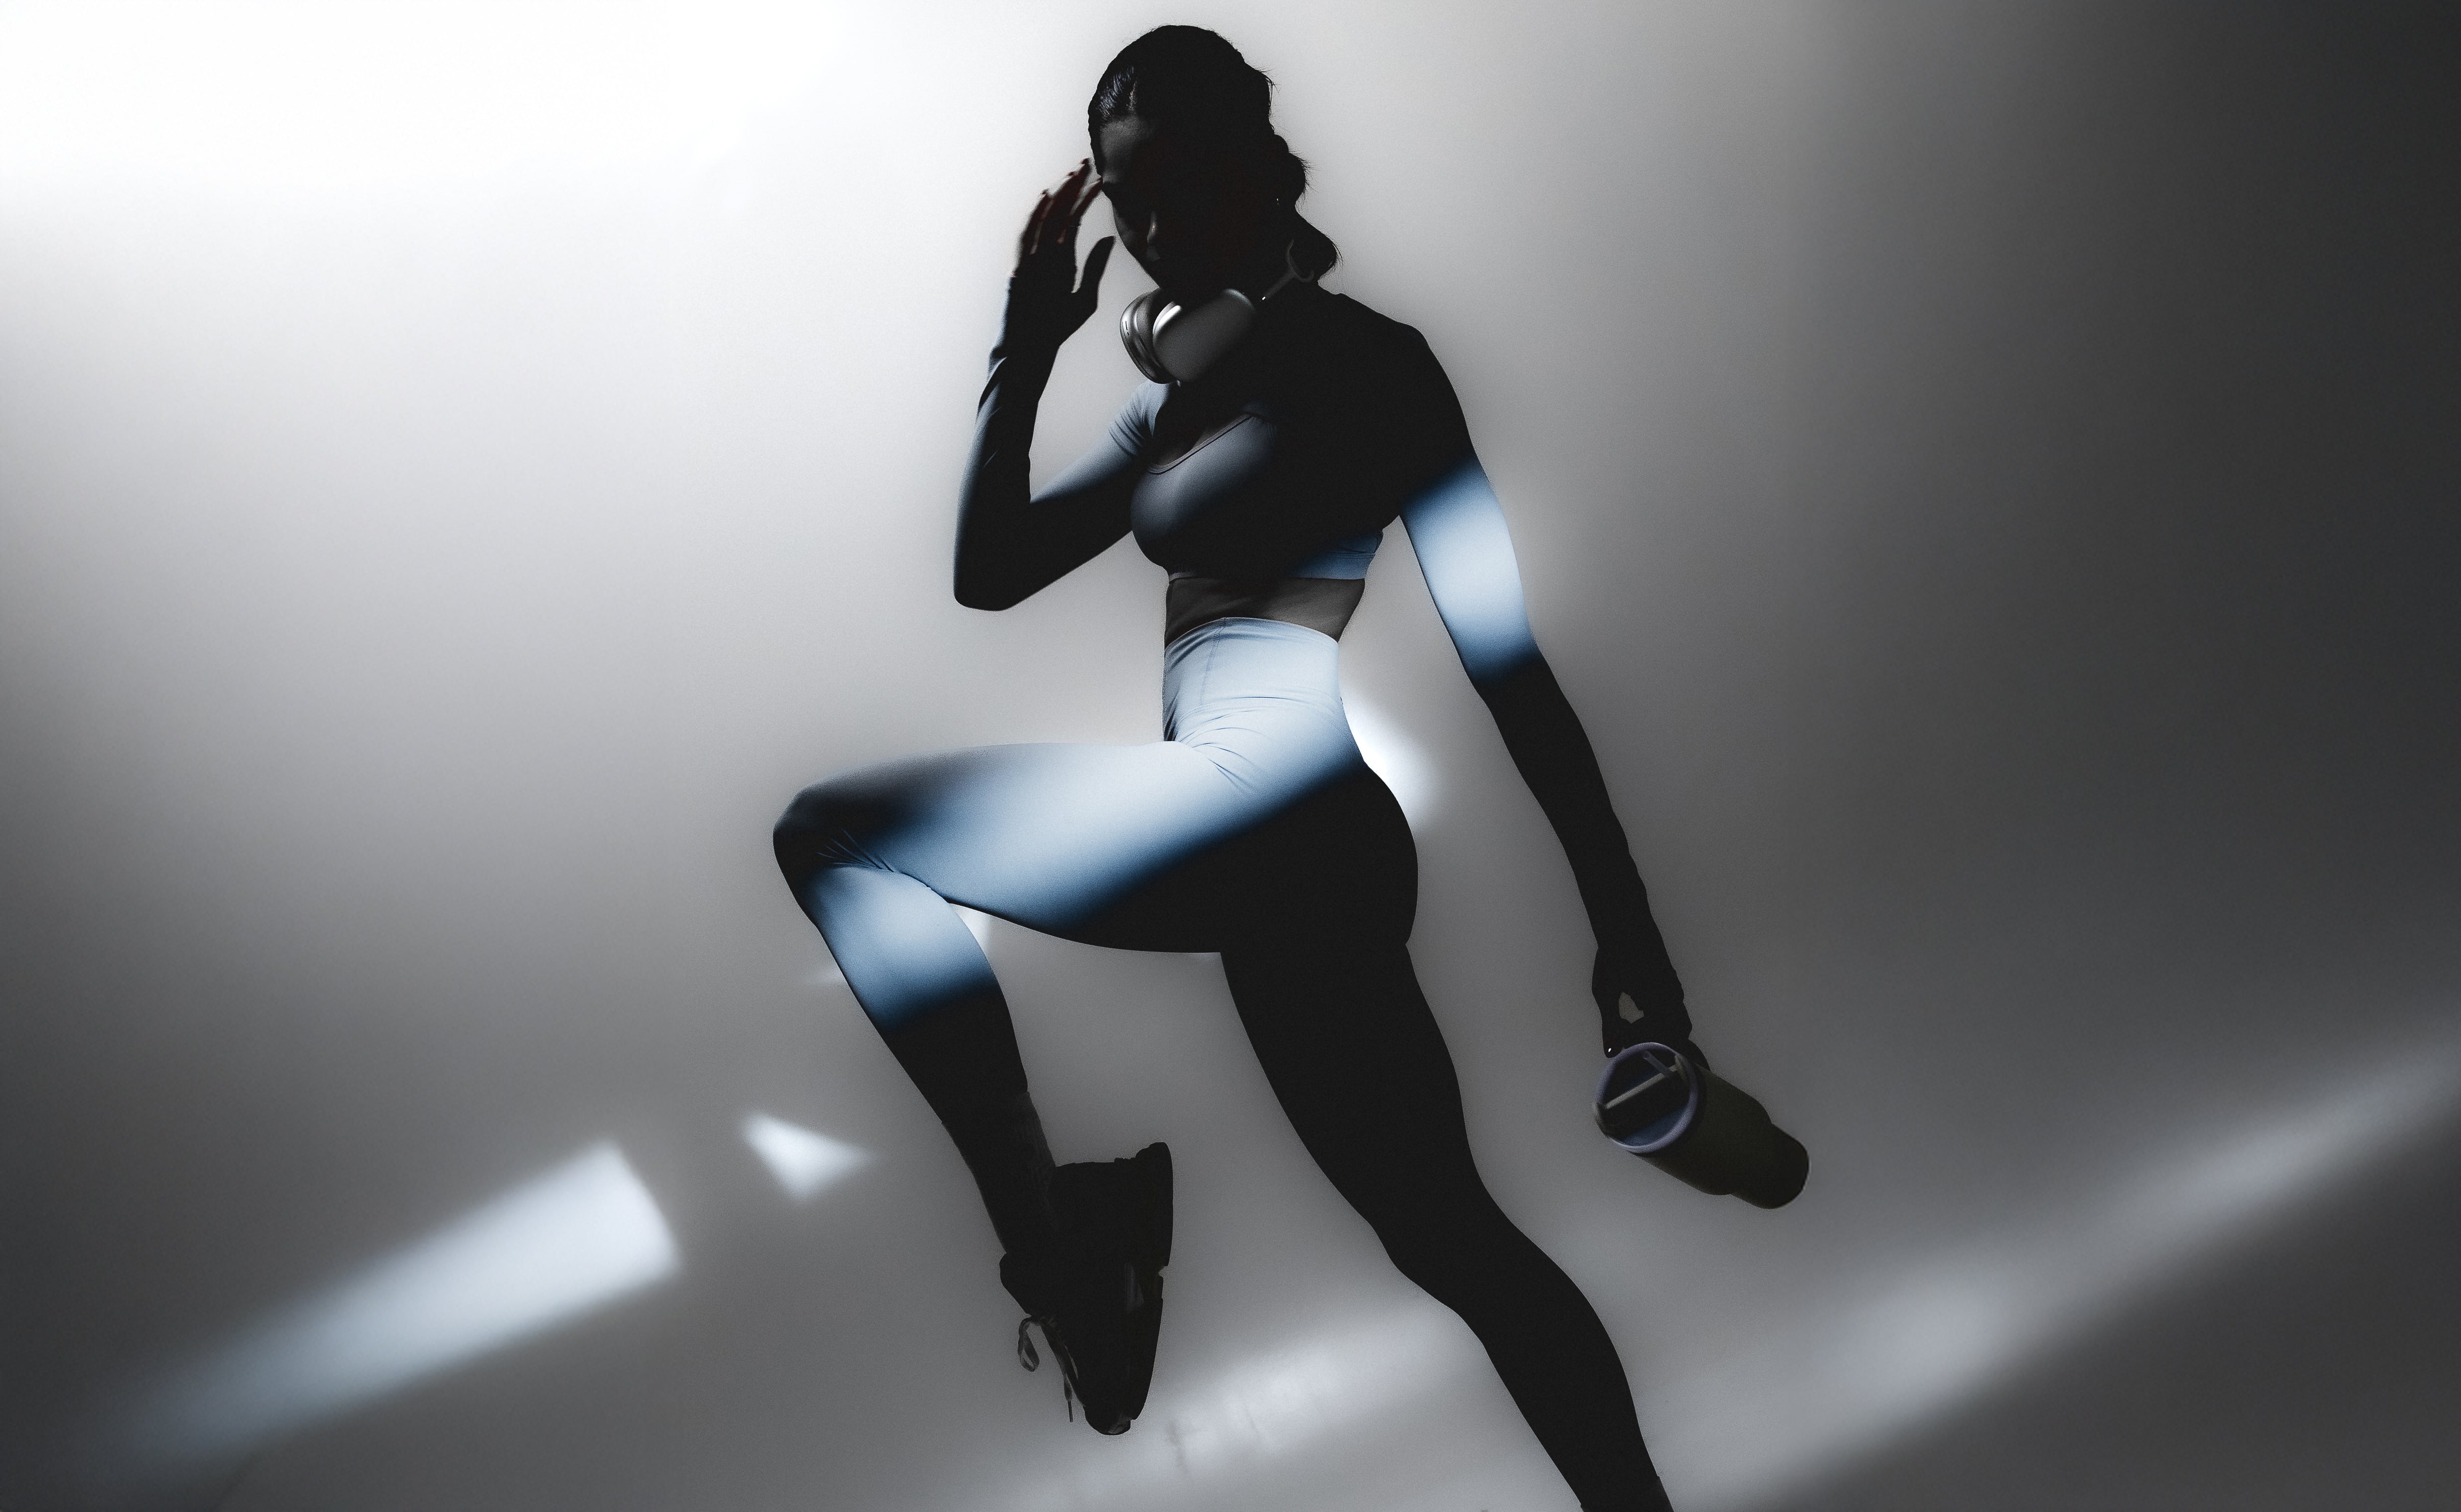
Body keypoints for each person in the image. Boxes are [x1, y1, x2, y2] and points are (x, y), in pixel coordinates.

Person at [774, 25, 1709, 1512]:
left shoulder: (1376, 367)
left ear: (1260, 172)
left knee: (836, 837)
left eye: (1179, 183)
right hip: (1262, 859)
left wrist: (1630, 931)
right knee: (1452, 1243)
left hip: (1290, 815)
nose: (1149, 228)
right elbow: (990, 572)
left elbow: (1510, 669)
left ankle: (1072, 1244)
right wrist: (1024, 352)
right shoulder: (1165, 405)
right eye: (1125, 198)